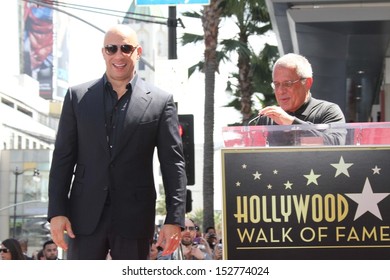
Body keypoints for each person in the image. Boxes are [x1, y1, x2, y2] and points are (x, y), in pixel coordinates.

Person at [47, 24, 187, 260]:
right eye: (111, 49)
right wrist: (57, 212)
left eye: (126, 48)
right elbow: (62, 158)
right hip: (83, 217)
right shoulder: (77, 97)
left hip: (134, 217)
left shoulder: (161, 102)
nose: (118, 55)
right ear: (104, 52)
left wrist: (175, 218)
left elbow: (173, 164)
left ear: (138, 52)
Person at [255, 53, 346, 145]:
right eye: (276, 84)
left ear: (307, 83)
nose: (280, 91)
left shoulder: (328, 111)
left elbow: (335, 143)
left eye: (288, 84)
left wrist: (292, 124)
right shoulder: (267, 118)